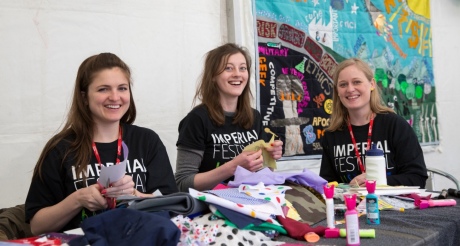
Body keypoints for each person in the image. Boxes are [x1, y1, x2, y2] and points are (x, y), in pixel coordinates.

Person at [25, 53, 178, 235]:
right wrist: (78, 199)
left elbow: (174, 207)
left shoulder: (147, 140)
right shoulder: (60, 149)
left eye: (122, 88)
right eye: (103, 89)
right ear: (84, 97)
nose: (115, 97)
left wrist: (135, 195)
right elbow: (36, 226)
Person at [175, 43, 283, 192]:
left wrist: (270, 158)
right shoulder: (197, 120)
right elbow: (183, 183)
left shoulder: (254, 117)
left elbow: (263, 174)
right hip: (210, 207)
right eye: (228, 68)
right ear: (213, 76)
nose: (237, 74)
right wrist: (232, 167)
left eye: (242, 68)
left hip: (250, 201)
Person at [319, 58, 427, 188]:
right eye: (343, 84)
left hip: (395, 206)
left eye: (357, 82)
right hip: (351, 206)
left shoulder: (395, 125)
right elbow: (328, 185)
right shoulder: (332, 135)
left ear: (372, 84)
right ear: (337, 90)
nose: (350, 89)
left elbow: (417, 178)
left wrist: (377, 182)